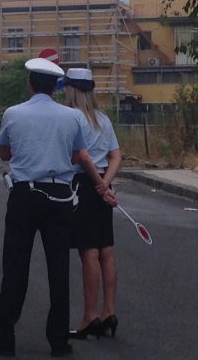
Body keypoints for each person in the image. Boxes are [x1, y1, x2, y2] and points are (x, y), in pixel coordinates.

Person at [0, 58, 108, 358]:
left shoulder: (13, 113)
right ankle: (59, 342)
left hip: (25, 194)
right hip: (60, 197)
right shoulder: (72, 117)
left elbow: (4, 152)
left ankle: (4, 338)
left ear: (29, 84)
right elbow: (78, 154)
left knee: (15, 268)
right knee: (58, 270)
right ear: (56, 87)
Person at [62, 68, 122, 340]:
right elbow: (116, 156)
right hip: (102, 187)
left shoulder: (71, 118)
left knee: (88, 251)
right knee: (106, 250)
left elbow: (79, 157)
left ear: (72, 90)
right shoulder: (103, 119)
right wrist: (106, 184)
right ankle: (109, 311)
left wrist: (97, 184)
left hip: (82, 187)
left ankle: (90, 316)